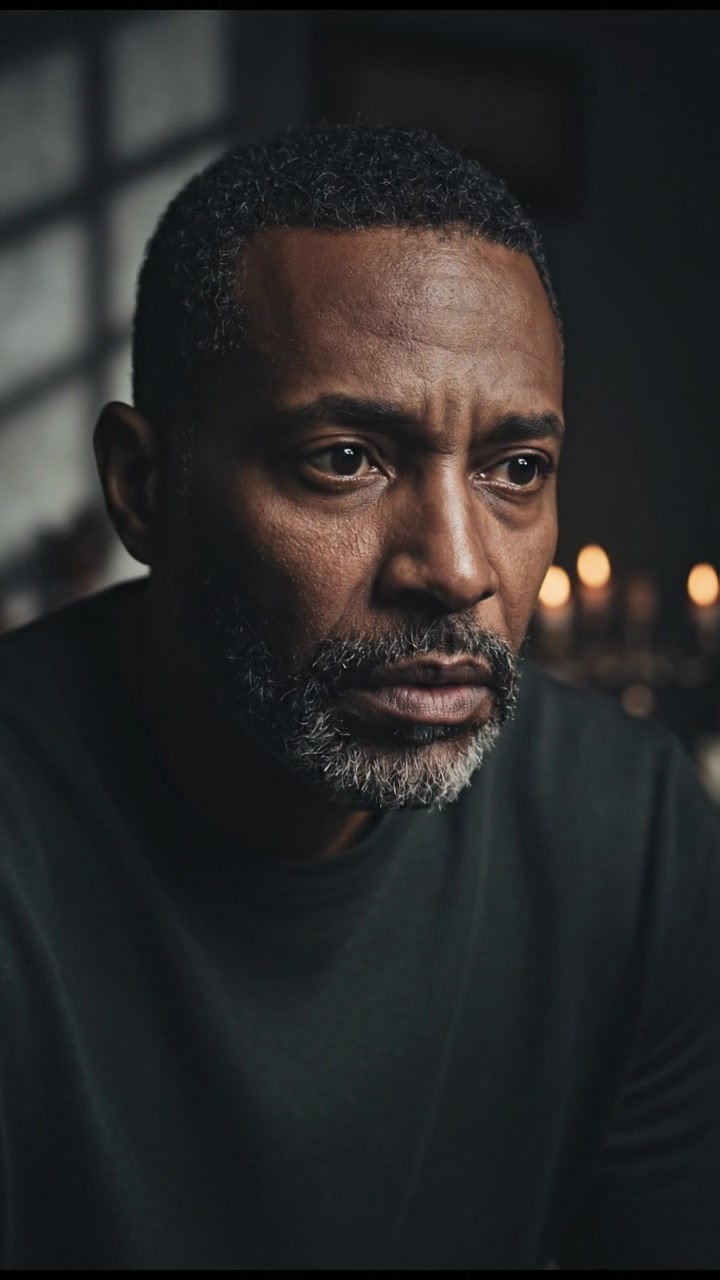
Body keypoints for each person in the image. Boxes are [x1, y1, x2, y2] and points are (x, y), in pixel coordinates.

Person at [0, 121, 718, 1271]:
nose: (458, 567)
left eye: (515, 469)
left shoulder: (628, 828)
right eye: (344, 458)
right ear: (143, 486)